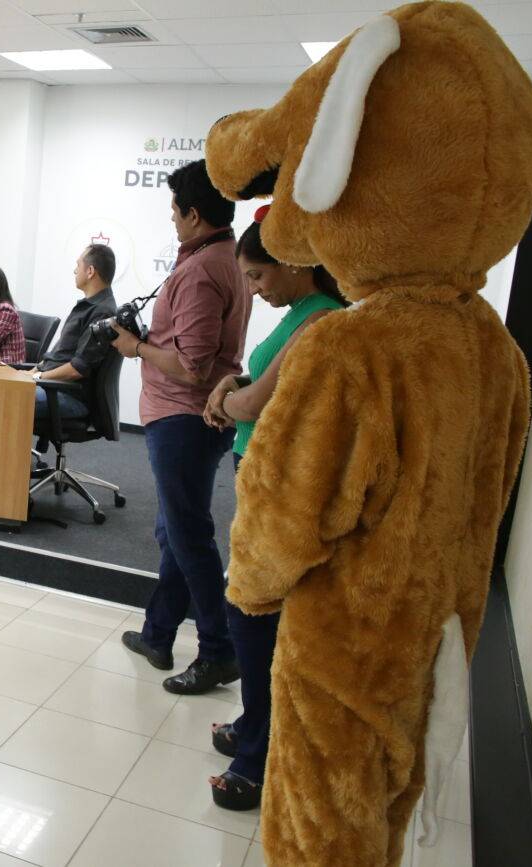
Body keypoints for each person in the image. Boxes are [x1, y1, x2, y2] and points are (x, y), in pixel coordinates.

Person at [198, 206, 346, 811]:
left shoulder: (322, 319)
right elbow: (253, 389)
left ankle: (259, 757)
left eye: (258, 277)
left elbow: (260, 401)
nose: (255, 290)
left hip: (283, 486)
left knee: (253, 615)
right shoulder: (302, 315)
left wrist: (228, 398)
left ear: (294, 263)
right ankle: (254, 725)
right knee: (252, 611)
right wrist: (231, 390)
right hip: (262, 474)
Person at [114, 159, 251, 695]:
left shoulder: (199, 270)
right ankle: (158, 634)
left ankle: (219, 650)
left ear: (194, 214)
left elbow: (192, 365)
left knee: (188, 536)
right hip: (196, 418)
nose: (171, 219)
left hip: (183, 417)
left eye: (174, 210)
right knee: (175, 530)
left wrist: (135, 347)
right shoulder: (224, 256)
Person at [29, 243, 118, 420]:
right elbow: (59, 355)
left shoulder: (102, 312)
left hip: (67, 395)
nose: (75, 271)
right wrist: (32, 372)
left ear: (90, 271)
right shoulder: (88, 307)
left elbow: (77, 369)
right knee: (3, 390)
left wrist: (37, 376)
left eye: (78, 265)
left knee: (5, 398)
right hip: (50, 386)